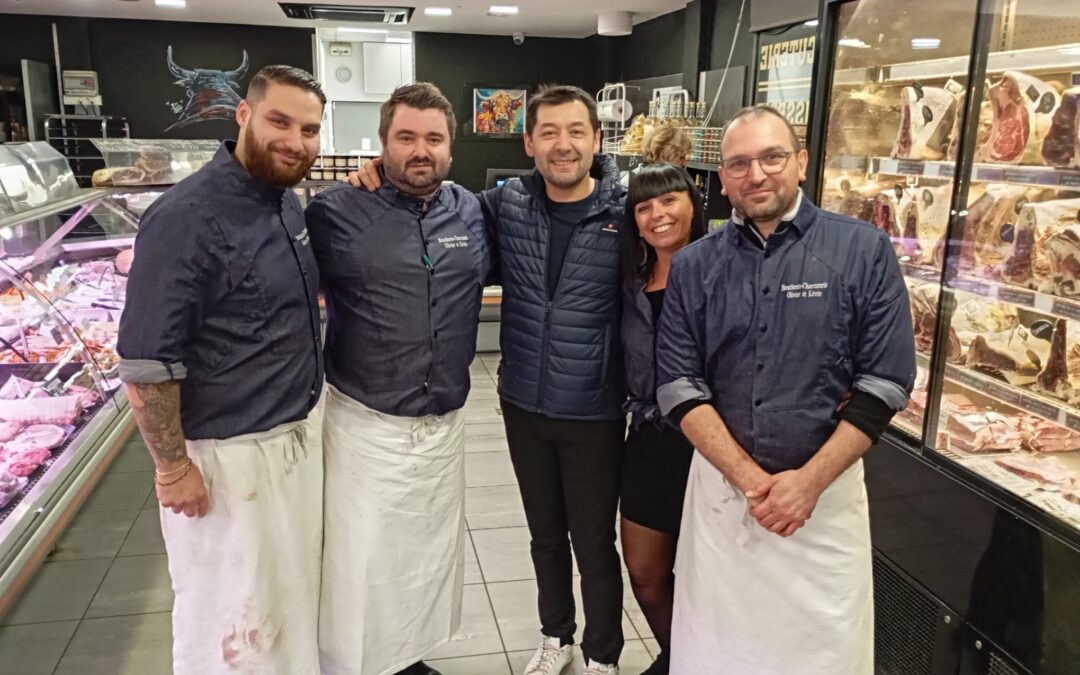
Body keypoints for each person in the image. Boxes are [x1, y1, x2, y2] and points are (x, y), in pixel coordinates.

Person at [655, 104, 916, 674]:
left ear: (801, 162)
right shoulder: (695, 266)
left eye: (772, 157)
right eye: (739, 163)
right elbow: (676, 385)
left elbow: (887, 381)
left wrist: (808, 484)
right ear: (722, 178)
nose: (757, 174)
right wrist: (754, 484)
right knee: (718, 653)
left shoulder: (863, 250)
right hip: (727, 504)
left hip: (824, 505)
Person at [116, 66, 326, 675]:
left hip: (288, 447)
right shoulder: (185, 216)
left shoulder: (284, 201)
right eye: (280, 121)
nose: (295, 141)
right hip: (225, 463)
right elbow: (147, 361)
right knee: (231, 630)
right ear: (244, 115)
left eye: (309, 129)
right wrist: (172, 467)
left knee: (282, 614)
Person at [307, 82, 489, 675]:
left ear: (450, 148)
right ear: (382, 143)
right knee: (362, 560)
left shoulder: (470, 210)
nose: (420, 151)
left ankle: (405, 659)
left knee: (421, 560)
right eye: (406, 137)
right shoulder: (334, 212)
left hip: (444, 425)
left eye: (433, 139)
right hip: (365, 424)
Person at [618, 163, 705, 675]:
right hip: (650, 440)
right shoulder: (632, 280)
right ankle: (679, 658)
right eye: (644, 207)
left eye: (669, 200)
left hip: (714, 446)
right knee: (646, 571)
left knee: (707, 572)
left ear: (693, 203)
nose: (657, 215)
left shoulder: (724, 271)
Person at [620, 126, 691, 187]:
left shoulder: (676, 183)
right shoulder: (630, 182)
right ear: (663, 155)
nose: (685, 163)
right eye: (681, 157)